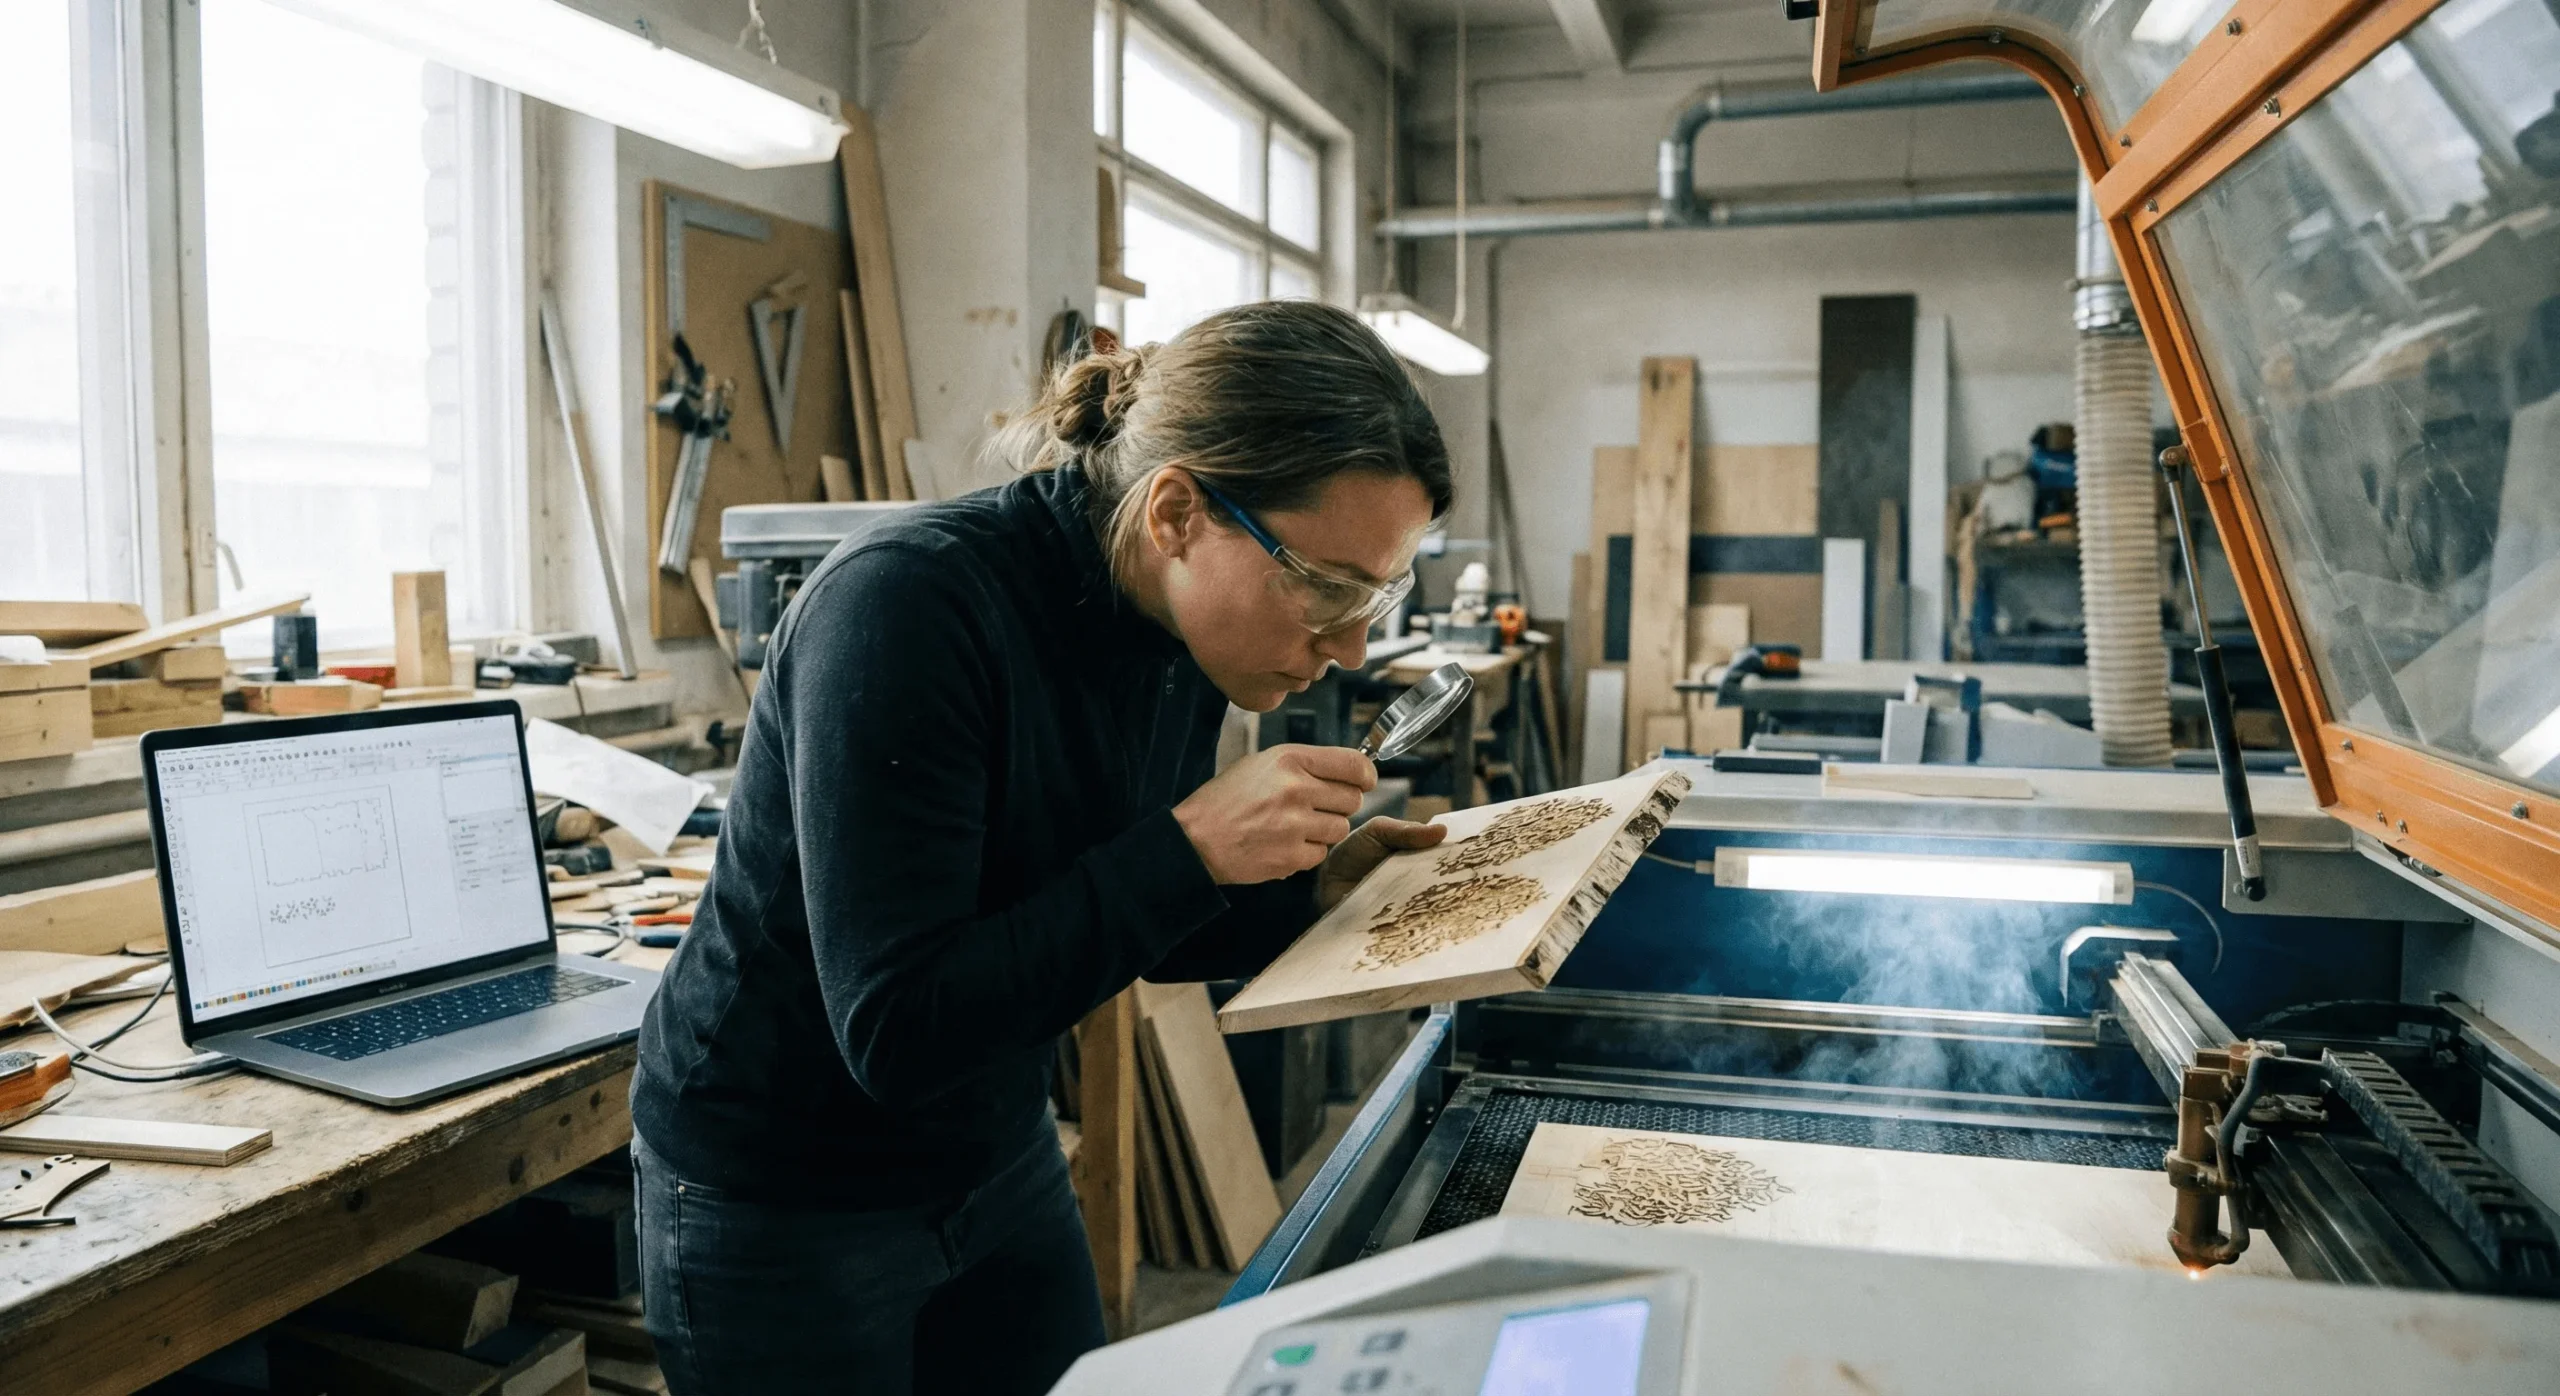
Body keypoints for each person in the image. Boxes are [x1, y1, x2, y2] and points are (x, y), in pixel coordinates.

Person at [629, 300, 1456, 1395]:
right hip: (786, 1183)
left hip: (993, 1143)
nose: (1350, 644)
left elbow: (1133, 926)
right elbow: (897, 1027)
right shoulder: (906, 609)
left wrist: (1316, 897)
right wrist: (1188, 848)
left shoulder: (1173, 629)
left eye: (1378, 592)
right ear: (1176, 512)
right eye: (1329, 587)